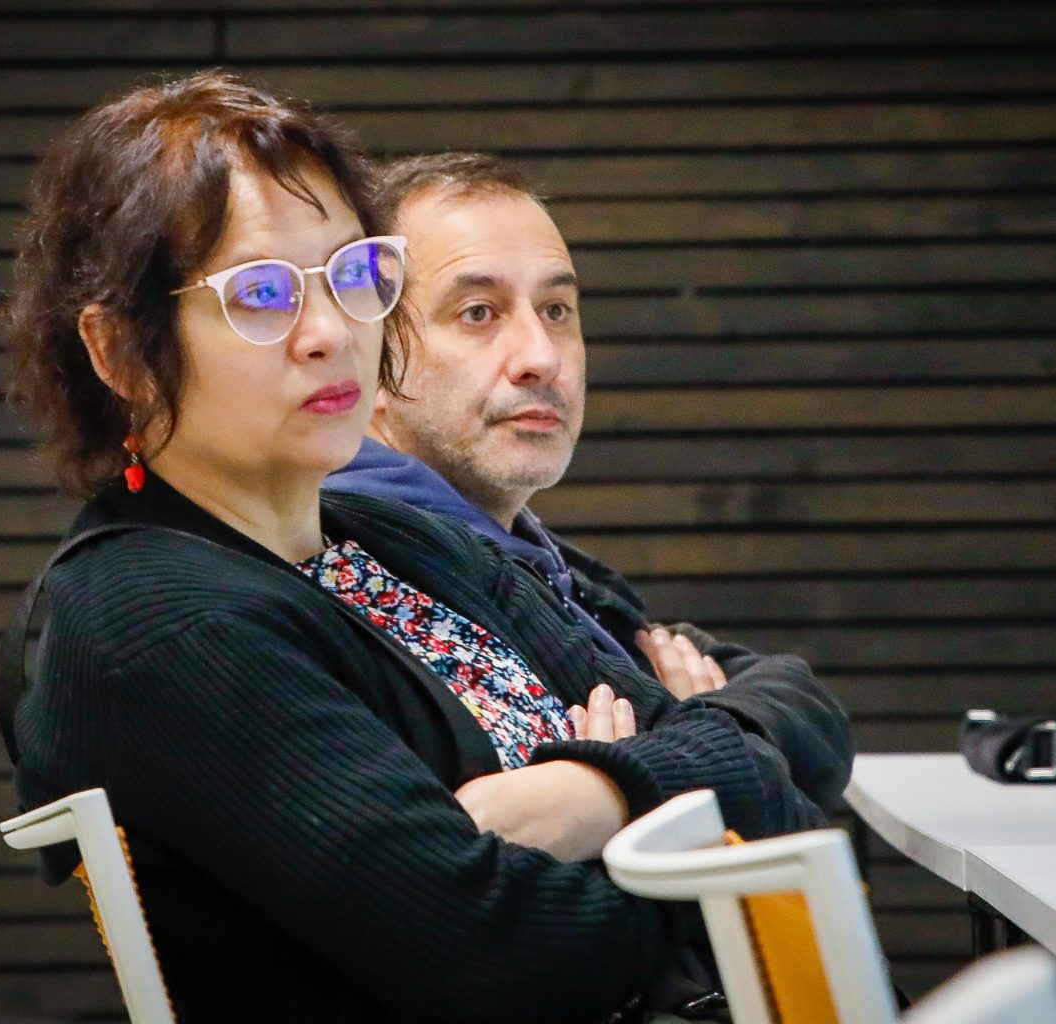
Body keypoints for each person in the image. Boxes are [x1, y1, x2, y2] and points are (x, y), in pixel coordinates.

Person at [1, 71, 833, 1023]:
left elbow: (766, 780)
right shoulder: (159, 622)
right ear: (120, 352)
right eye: (262, 294)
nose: (330, 332)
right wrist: (684, 837)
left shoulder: (390, 539)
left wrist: (596, 795)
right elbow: (511, 955)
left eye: (352, 275)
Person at [326, 152, 853, 812]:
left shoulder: (531, 555)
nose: (541, 357)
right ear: (369, 359)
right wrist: (719, 752)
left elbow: (809, 711)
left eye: (556, 310)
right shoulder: (376, 576)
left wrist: (704, 738)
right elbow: (774, 799)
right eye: (478, 312)